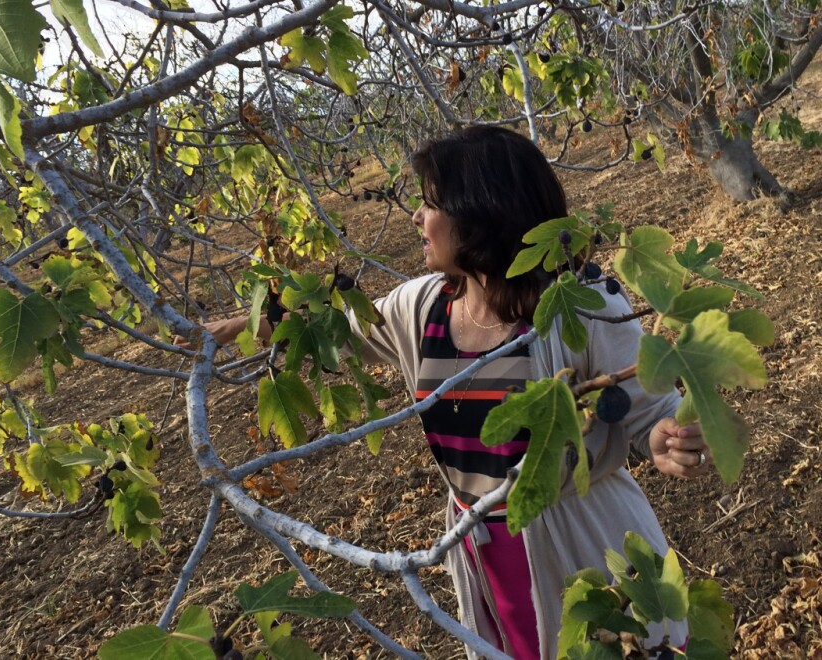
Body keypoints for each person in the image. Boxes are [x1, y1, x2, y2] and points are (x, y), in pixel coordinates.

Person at [178, 126, 710, 658]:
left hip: (581, 545)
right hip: (485, 552)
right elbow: (337, 332)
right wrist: (249, 325)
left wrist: (664, 437)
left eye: (431, 203)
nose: (416, 217)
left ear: (478, 214)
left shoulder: (582, 302)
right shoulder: (422, 306)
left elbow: (647, 405)